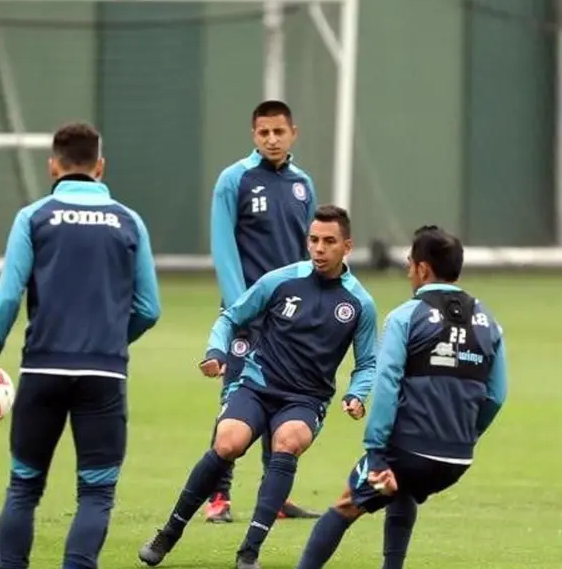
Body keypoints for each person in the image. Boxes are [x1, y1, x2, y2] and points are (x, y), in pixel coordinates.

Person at [139, 205, 377, 569]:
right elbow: (231, 317)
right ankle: (168, 533)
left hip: (305, 399)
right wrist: (216, 352)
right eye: (313, 240)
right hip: (257, 385)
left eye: (329, 241)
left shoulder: (359, 303)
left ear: (347, 246)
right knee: (227, 442)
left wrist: (356, 394)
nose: (318, 248)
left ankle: (249, 551)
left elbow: (368, 363)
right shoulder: (280, 280)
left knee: (288, 441)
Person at [0, 122, 161, 569]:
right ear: (101, 165)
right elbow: (149, 307)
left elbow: (6, 300)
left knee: (23, 487)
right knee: (95, 493)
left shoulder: (34, 217)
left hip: (42, 371)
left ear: (53, 165)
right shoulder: (128, 221)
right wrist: (113, 339)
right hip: (104, 375)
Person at [295, 225, 509, 569]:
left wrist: (377, 453)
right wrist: (466, 434)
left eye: (410, 264)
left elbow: (387, 382)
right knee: (403, 489)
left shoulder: (406, 316)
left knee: (346, 505)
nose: (408, 271)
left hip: (408, 452)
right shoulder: (488, 321)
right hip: (457, 459)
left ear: (423, 269)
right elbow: (497, 395)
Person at [207, 99, 320, 523]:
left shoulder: (303, 185)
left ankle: (274, 500)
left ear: (294, 133)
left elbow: (310, 253)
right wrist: (243, 309)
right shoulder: (234, 180)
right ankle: (218, 498)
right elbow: (223, 248)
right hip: (245, 316)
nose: (272, 139)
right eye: (263, 133)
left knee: (285, 399)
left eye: (279, 132)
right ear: (254, 135)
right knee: (236, 400)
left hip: (289, 316)